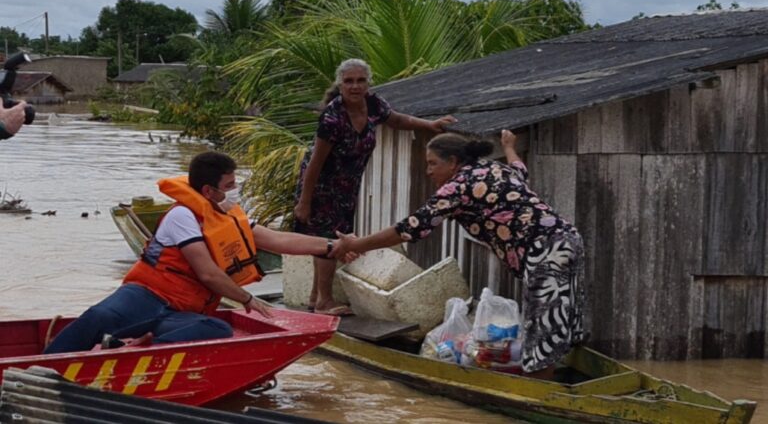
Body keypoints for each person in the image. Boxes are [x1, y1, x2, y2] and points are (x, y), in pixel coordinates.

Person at [45, 151, 355, 353]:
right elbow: (207, 273)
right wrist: (248, 300)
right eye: (230, 185)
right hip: (146, 297)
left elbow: (276, 240)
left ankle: (134, 348)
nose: (234, 191)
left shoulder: (228, 214)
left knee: (217, 328)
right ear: (209, 191)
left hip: (181, 312)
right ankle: (41, 364)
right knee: (98, 317)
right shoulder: (183, 216)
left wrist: (331, 246)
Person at [334, 130, 585, 379]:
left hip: (544, 250)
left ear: (453, 162)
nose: (429, 171)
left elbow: (411, 227)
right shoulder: (493, 169)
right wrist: (508, 147)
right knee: (562, 316)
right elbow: (519, 169)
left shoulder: (457, 186)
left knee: (544, 325)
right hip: (567, 239)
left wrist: (357, 245)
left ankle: (540, 392)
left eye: (433, 163)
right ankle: (564, 375)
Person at [293, 58, 456, 316]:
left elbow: (397, 120)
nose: (355, 86)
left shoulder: (373, 104)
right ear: (340, 84)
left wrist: (429, 125)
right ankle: (324, 301)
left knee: (333, 238)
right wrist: (305, 201)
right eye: (349, 81)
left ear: (368, 83)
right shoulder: (332, 118)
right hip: (323, 185)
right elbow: (315, 163)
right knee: (327, 240)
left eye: (360, 80)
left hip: (347, 184)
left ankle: (316, 296)